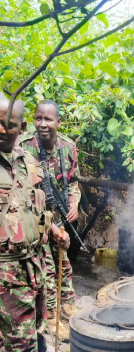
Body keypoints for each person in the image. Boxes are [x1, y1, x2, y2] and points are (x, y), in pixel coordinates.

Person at [0, 96, 68, 352]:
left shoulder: (28, 164)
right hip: (4, 272)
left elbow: (32, 210)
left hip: (33, 266)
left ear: (20, 129)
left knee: (36, 332)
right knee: (22, 340)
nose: (0, 129)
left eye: (8, 124)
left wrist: (53, 230)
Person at [19, 100, 79, 339]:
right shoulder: (23, 147)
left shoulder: (68, 147)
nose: (42, 124)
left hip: (59, 212)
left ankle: (67, 305)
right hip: (34, 217)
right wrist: (50, 225)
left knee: (63, 260)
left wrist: (73, 203)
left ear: (58, 122)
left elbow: (73, 181)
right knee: (46, 266)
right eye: (38, 119)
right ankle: (52, 316)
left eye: (48, 119)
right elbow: (24, 196)